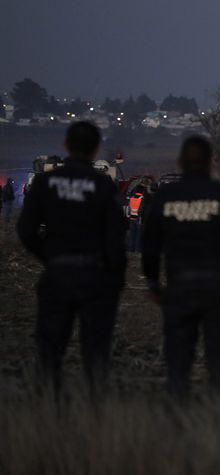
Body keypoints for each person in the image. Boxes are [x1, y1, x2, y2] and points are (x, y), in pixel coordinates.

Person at [142, 135, 220, 404]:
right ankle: (219, 420)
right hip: (219, 287)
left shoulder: (166, 196)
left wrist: (152, 282)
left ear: (181, 162)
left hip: (179, 287)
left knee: (178, 362)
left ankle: (177, 422)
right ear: (209, 162)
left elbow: (149, 246)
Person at [16, 121, 126, 395]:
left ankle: (48, 409)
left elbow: (26, 229)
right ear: (96, 149)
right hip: (94, 275)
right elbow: (116, 236)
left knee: (50, 351)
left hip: (58, 273)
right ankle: (94, 411)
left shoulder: (45, 182)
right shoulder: (102, 185)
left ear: (66, 145)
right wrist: (114, 276)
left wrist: (50, 257)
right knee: (95, 353)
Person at [127, 185, 146, 252]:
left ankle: (131, 249)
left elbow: (129, 209)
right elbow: (142, 209)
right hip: (139, 218)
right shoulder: (142, 198)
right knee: (138, 236)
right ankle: (137, 250)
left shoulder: (132, 198)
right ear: (142, 191)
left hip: (132, 218)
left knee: (132, 235)